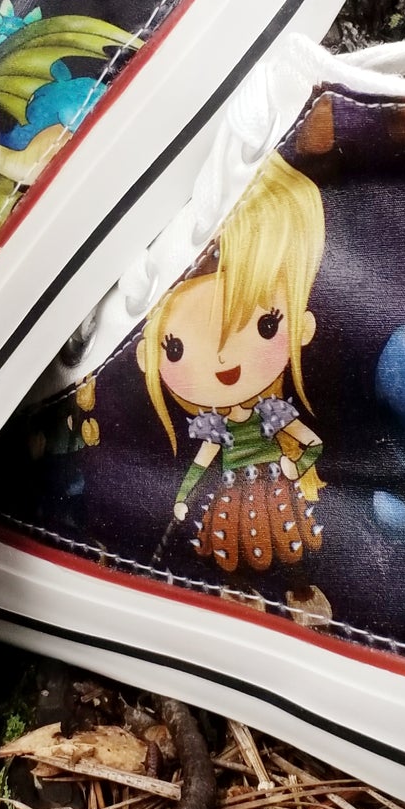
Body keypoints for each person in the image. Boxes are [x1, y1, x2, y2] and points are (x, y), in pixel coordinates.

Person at [137, 153, 326, 574]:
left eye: (266, 325)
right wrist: (182, 497)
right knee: (235, 550)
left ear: (302, 326)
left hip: (274, 494)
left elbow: (313, 443)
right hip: (235, 498)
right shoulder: (217, 426)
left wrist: (296, 465)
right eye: (174, 348)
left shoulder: (270, 413)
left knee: (285, 551)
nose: (223, 359)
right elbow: (201, 462)